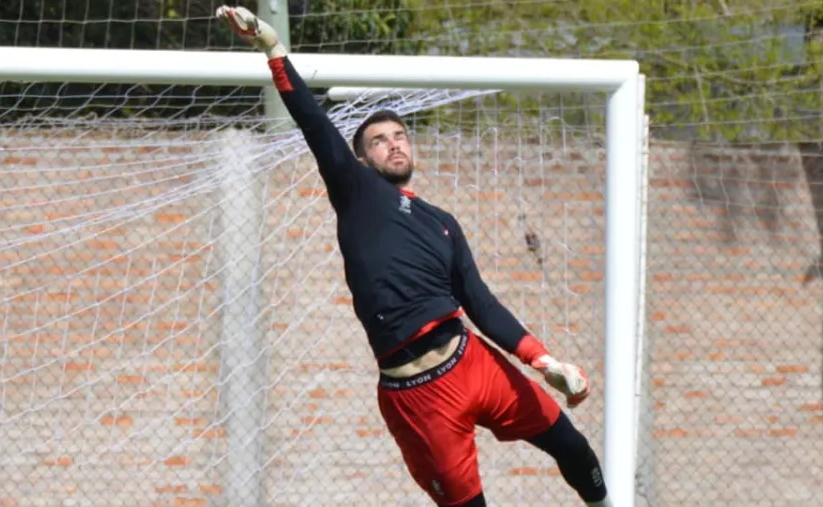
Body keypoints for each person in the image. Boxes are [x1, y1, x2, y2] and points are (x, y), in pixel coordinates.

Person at [216, 6, 613, 507]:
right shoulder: (357, 193)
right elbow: (313, 122)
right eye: (379, 141)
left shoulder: (442, 222)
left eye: (400, 135)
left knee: (574, 448)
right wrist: (274, 50)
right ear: (362, 159)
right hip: (419, 394)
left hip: (472, 360)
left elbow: (480, 302)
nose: (393, 144)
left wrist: (543, 360)